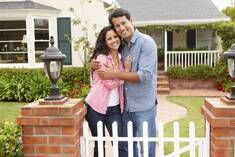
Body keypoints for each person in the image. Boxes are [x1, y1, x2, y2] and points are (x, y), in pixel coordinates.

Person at [92, 8, 158, 157]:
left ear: (131, 21)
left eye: (123, 23)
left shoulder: (146, 43)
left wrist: (114, 74)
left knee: (146, 149)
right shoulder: (122, 46)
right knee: (129, 149)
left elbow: (144, 76)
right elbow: (105, 54)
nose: (121, 28)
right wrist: (93, 62)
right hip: (126, 108)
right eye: (117, 25)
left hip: (144, 108)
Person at [85, 26, 130, 157]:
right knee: (100, 144)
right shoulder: (101, 59)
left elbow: (114, 79)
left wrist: (118, 73)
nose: (113, 40)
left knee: (120, 144)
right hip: (96, 108)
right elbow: (109, 84)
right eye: (109, 38)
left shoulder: (122, 59)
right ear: (105, 42)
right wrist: (125, 73)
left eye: (115, 37)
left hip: (115, 109)